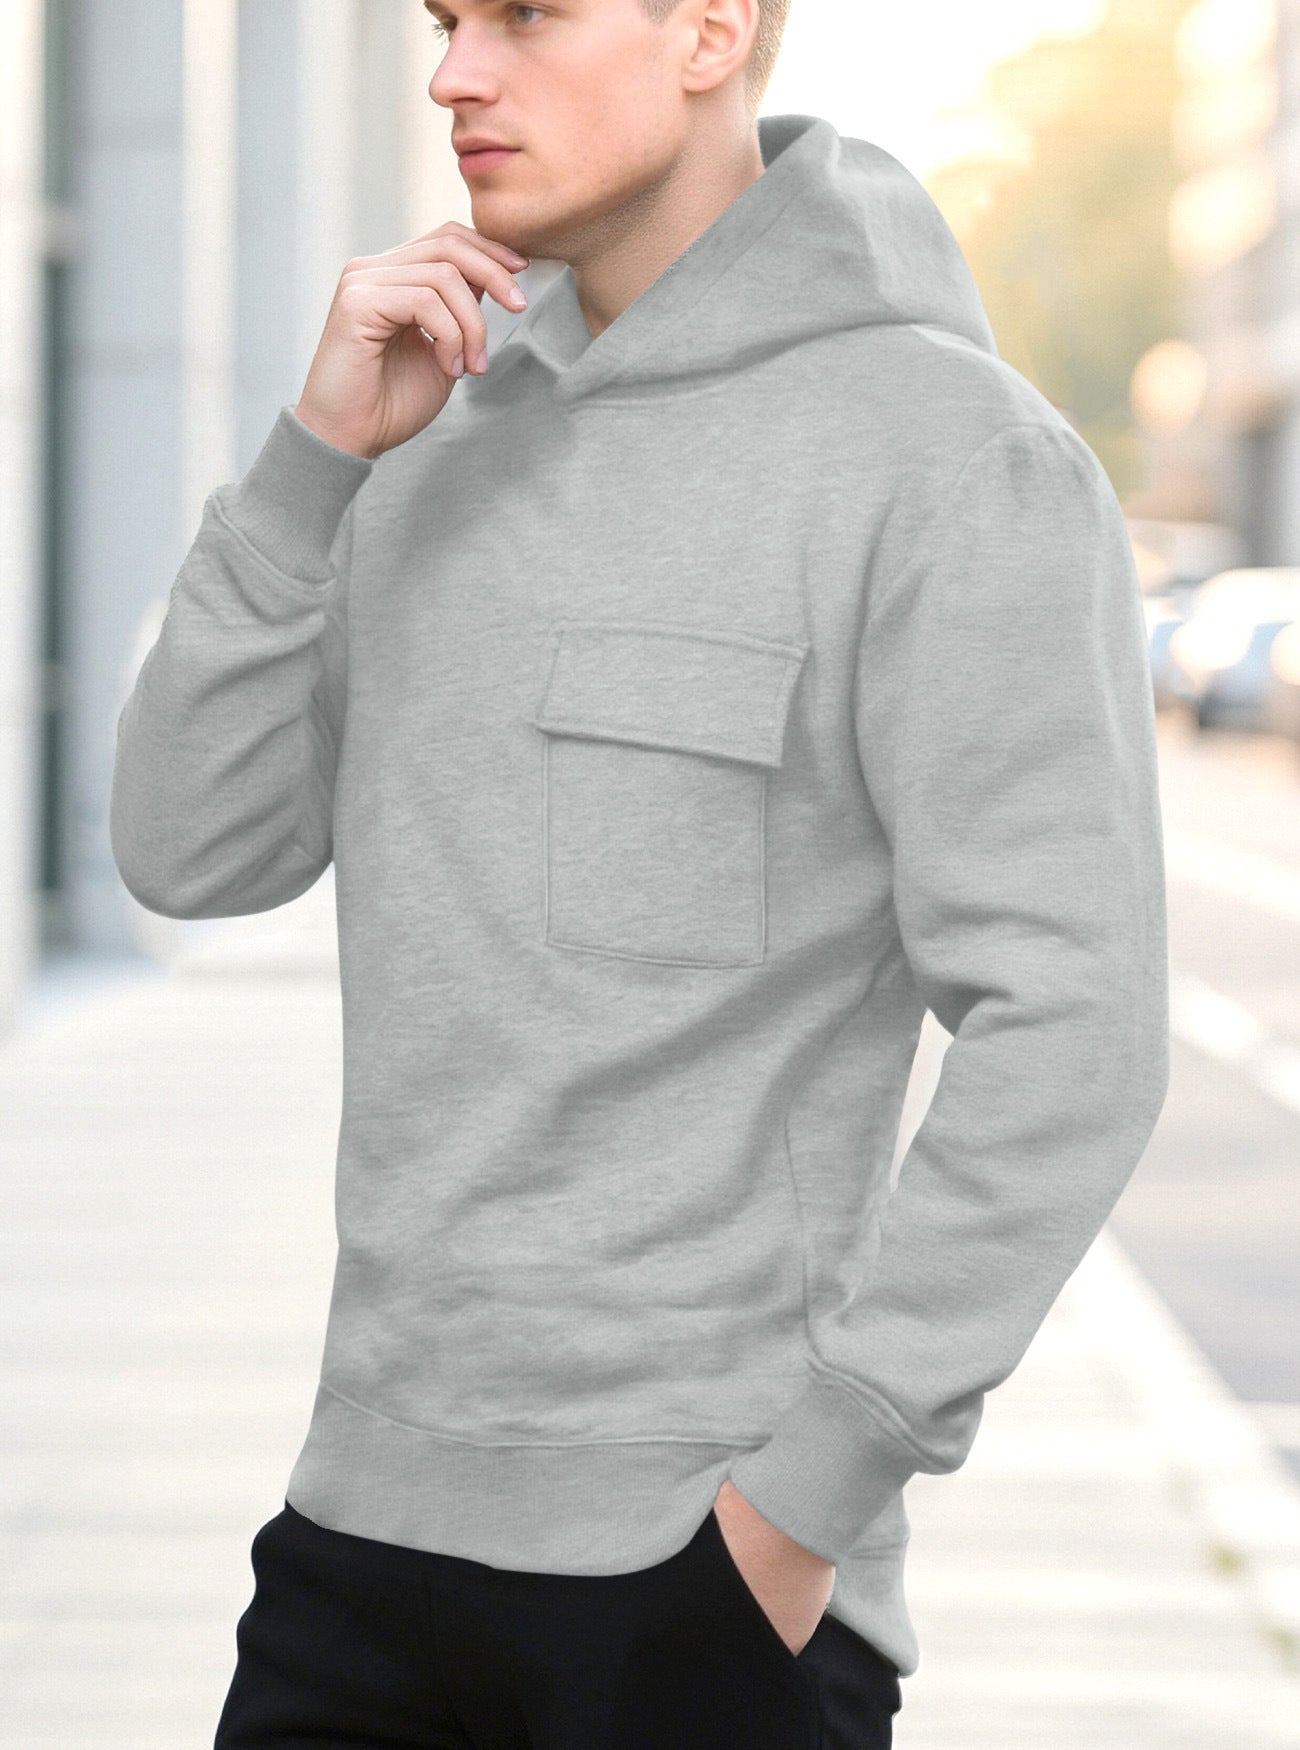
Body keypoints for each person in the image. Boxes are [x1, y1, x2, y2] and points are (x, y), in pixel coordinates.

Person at [108, 0, 1171, 1744]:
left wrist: (806, 1497)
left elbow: (1076, 1026)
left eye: (525, 15)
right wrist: (308, 471)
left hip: (695, 1589)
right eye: (445, 22)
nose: (456, 72)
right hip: (352, 1544)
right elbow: (185, 847)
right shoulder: (418, 431)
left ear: (709, 31)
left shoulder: (953, 461)